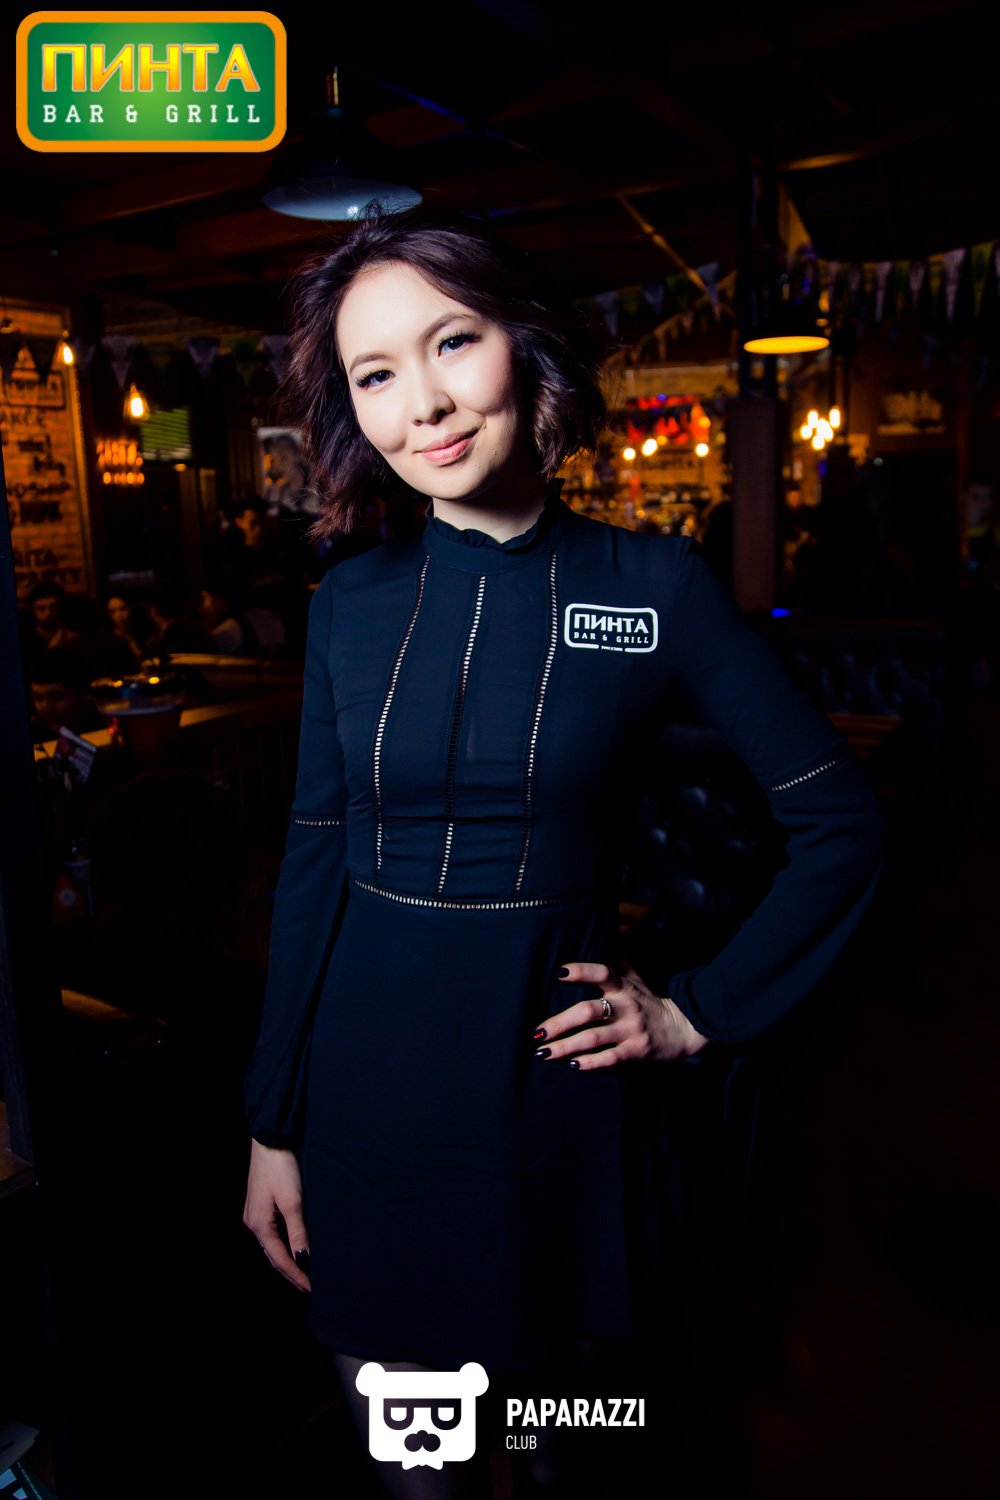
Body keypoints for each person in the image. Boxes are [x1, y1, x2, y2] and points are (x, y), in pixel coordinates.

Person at [241, 203, 886, 1497]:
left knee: (559, 1455)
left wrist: (697, 1012)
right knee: (418, 1467)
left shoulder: (650, 586)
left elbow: (843, 823)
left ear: (521, 346)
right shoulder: (347, 606)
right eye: (375, 374)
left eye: (452, 342)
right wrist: (271, 1123)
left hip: (547, 1100)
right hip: (367, 1102)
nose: (424, 404)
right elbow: (314, 863)